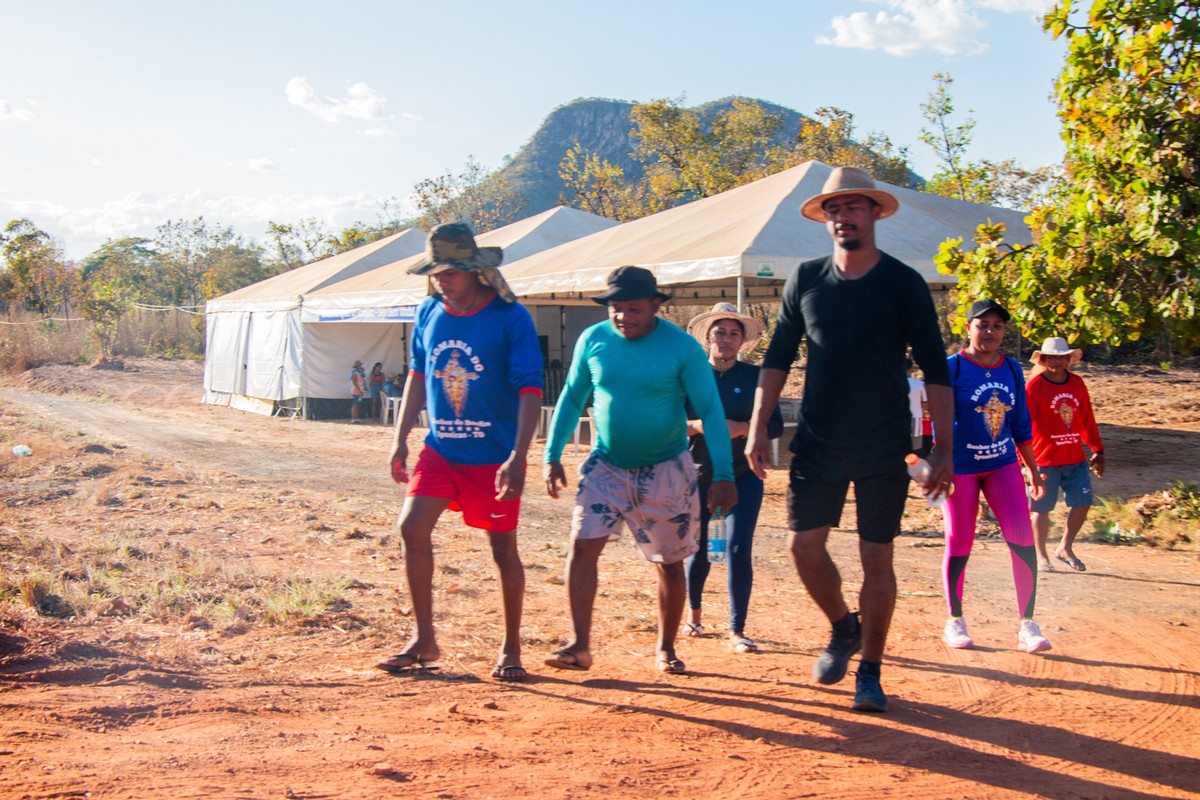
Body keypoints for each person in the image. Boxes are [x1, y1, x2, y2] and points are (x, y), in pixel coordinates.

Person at [745, 167, 953, 713]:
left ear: (875, 214)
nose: (843, 218)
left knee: (876, 561)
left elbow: (935, 368)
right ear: (826, 219)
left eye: (854, 207)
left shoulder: (903, 282)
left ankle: (872, 673)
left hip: (885, 444)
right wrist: (760, 426)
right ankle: (843, 627)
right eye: (835, 210)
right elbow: (777, 358)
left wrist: (945, 447)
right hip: (817, 440)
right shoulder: (806, 279)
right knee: (802, 549)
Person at [543, 266, 737, 675]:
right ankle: (579, 644)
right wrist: (552, 454)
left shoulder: (681, 347)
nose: (622, 317)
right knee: (582, 548)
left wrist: (724, 473)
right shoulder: (593, 340)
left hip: (666, 470)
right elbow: (573, 395)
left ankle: (666, 647)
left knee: (668, 562)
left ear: (655, 305)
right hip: (605, 466)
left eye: (633, 308)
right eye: (615, 308)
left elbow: (711, 411)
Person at [380, 222, 543, 683]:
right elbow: (417, 375)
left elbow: (530, 387)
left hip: (493, 456)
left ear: (474, 271)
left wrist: (519, 455)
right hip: (441, 450)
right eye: (434, 273)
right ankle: (423, 639)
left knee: (502, 548)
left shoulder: (511, 317)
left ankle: (511, 648)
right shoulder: (429, 312)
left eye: (448, 272)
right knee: (411, 526)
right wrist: (401, 436)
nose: (440, 281)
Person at [940, 299, 1050, 655]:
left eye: (997, 326)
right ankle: (955, 620)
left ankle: (1028, 625)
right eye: (982, 325)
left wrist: (1033, 469)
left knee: (1021, 536)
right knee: (960, 539)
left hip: (1002, 464)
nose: (990, 332)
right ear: (968, 328)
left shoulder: (1013, 369)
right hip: (961, 469)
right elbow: (934, 421)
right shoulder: (952, 368)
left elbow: (1020, 423)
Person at [682, 302, 783, 654]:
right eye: (719, 332)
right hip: (698, 476)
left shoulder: (755, 377)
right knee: (700, 550)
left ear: (742, 341)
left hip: (744, 476)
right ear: (707, 337)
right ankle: (694, 615)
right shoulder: (689, 375)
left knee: (738, 547)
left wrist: (742, 428)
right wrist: (698, 427)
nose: (725, 339)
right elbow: (668, 424)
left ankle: (737, 629)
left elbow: (775, 425)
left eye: (733, 333)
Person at [1026, 336, 1105, 572]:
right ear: (1043, 359)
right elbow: (1023, 424)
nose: (1058, 361)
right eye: (1052, 357)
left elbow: (1087, 419)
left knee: (1083, 503)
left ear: (1069, 359)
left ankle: (1065, 547)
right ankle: (1041, 556)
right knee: (1041, 509)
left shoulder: (1077, 384)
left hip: (1074, 458)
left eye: (1063, 357)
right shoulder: (1035, 386)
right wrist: (1024, 462)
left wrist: (1097, 449)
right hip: (1044, 460)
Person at [907, 358, 933, 458]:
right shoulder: (918, 384)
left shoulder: (893, 383)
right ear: (911, 369)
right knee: (916, 452)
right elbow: (926, 405)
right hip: (916, 422)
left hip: (897, 421)